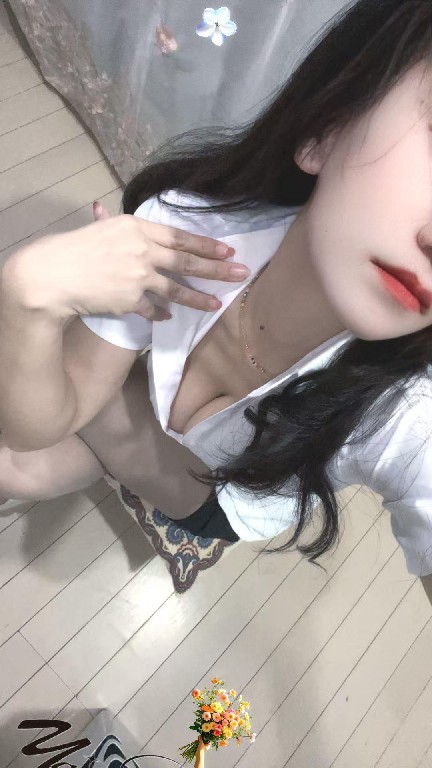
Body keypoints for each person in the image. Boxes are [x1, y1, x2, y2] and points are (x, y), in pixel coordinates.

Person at [2, 0, 432, 600]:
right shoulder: (191, 226)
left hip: (217, 499)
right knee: (24, 456)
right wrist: (27, 294)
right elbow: (42, 422)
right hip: (152, 405)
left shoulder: (408, 420)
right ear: (326, 128)